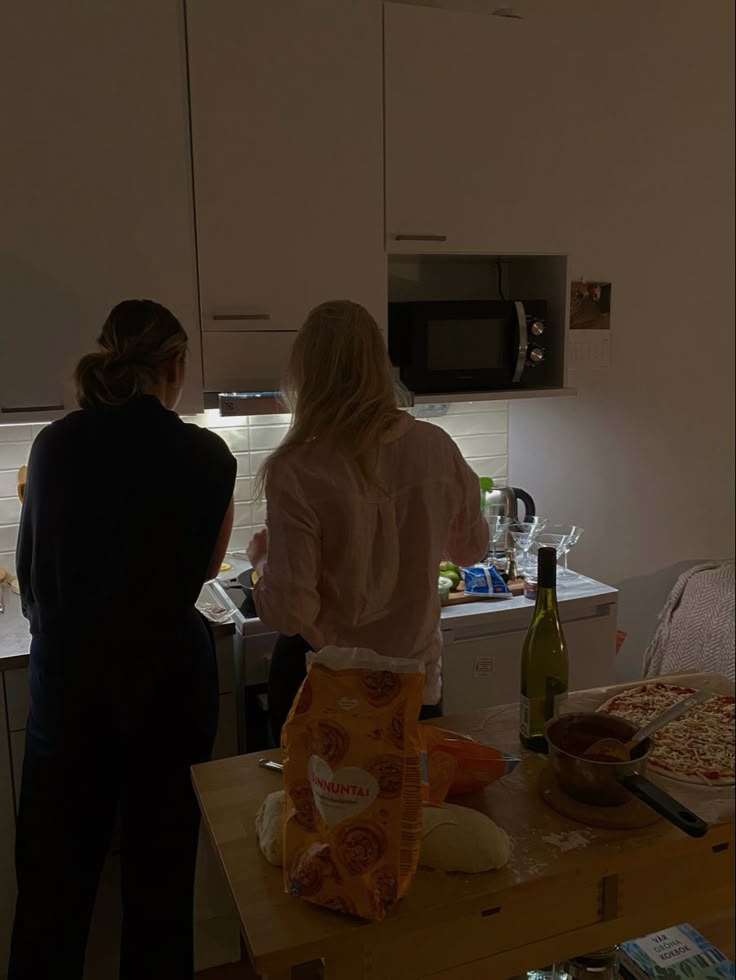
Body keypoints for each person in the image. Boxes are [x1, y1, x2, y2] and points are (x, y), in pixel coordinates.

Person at [10, 300, 236, 980]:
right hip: (166, 690)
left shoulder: (53, 445)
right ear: (175, 367)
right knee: (159, 891)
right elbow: (204, 568)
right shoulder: (207, 455)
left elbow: (30, 572)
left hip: (70, 692)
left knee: (51, 893)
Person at [247, 299, 488, 742]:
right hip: (414, 681)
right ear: (380, 365)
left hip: (327, 680)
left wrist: (262, 564)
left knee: (318, 804)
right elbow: (471, 551)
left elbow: (288, 613)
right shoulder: (436, 446)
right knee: (409, 804)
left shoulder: (296, 469)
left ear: (306, 375)